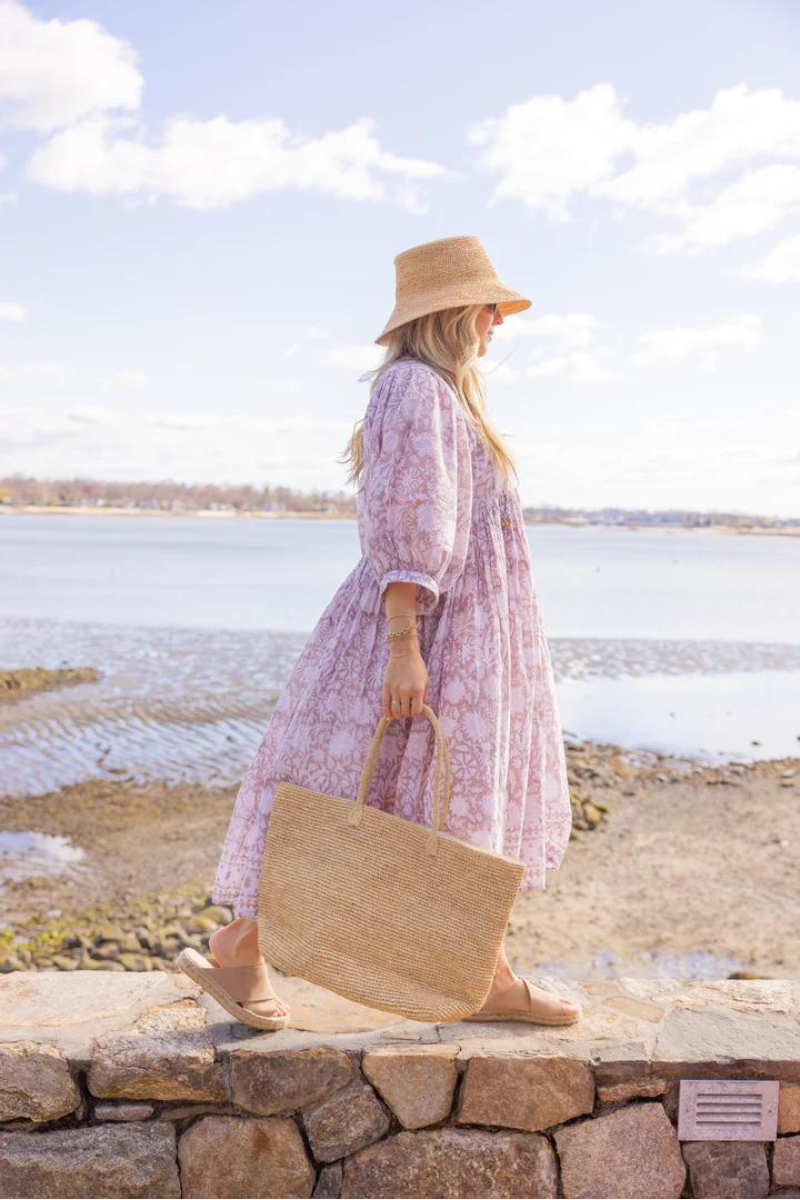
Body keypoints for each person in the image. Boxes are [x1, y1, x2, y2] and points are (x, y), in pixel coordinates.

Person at [177, 235, 582, 1029]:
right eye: (489, 305)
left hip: (456, 635)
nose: (499, 321)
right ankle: (250, 947)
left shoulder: (444, 393)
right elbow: (410, 518)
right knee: (370, 800)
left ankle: (257, 947)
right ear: (453, 311)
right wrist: (404, 645)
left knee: (423, 806)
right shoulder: (415, 388)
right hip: (425, 633)